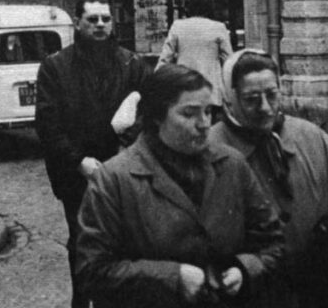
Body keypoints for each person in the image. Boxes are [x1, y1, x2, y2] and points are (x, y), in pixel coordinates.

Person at [76, 65, 284, 308]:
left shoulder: (232, 164)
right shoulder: (114, 179)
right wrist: (172, 278)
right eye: (189, 114)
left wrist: (245, 270)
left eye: (208, 112)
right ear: (157, 117)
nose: (204, 123)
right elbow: (91, 270)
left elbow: (272, 242)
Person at [211, 48, 328, 308]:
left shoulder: (309, 137)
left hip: (319, 291)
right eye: (251, 99)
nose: (265, 107)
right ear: (230, 99)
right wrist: (244, 269)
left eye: (272, 95)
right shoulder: (209, 152)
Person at [35, 0, 149, 308]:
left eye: (105, 19)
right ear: (78, 23)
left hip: (124, 170)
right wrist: (78, 161)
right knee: (84, 242)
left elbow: (149, 116)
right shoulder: (56, 68)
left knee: (125, 243)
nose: (100, 25)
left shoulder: (132, 64)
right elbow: (49, 125)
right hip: (79, 174)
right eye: (92, 19)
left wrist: (128, 153)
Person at [156, 0, 232, 114]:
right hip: (211, 90)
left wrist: (156, 82)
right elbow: (229, 61)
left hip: (184, 87)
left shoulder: (178, 26)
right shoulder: (219, 28)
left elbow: (165, 59)